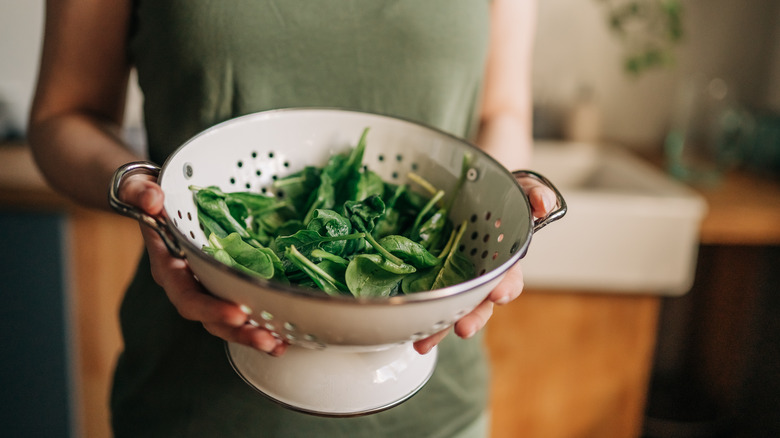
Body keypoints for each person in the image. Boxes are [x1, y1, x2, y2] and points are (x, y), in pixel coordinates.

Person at [28, 1, 554, 437]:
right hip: (192, 404)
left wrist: (500, 196)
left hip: (435, 406)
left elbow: (500, 110)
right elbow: (63, 116)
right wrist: (140, 191)